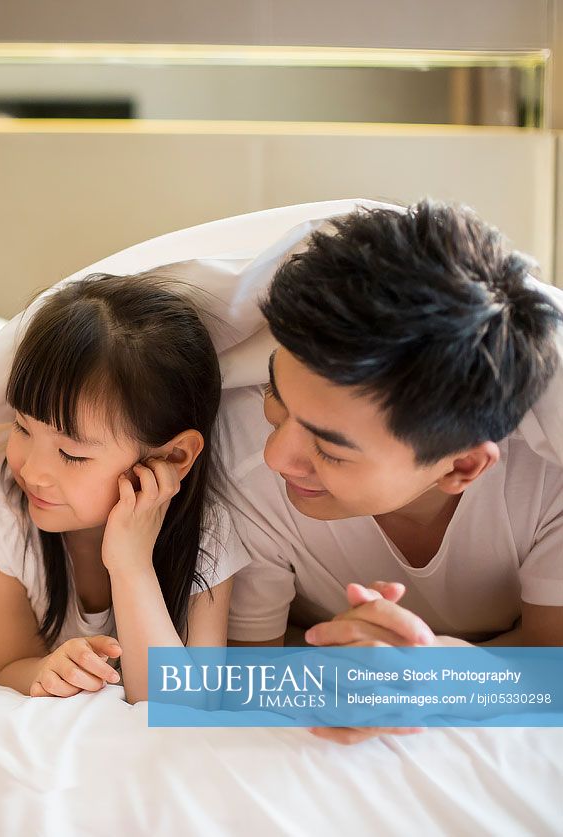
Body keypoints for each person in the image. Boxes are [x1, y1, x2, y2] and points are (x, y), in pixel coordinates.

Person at [222, 201, 563, 742]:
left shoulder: (547, 482)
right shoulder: (240, 460)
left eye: (330, 450)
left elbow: (553, 667)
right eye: (274, 395)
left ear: (463, 466)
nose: (276, 457)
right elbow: (246, 671)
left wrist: (433, 675)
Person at [0, 273, 249, 704]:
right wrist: (43, 670)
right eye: (21, 427)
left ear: (174, 457)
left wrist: (131, 566)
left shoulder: (207, 531)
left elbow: (187, 703)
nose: (32, 472)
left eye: (71, 454)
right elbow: (6, 664)